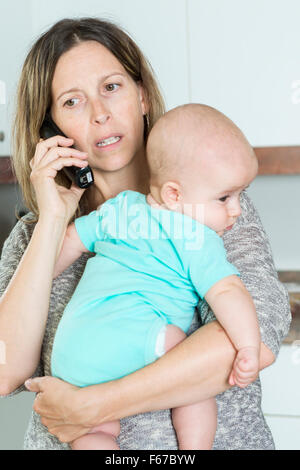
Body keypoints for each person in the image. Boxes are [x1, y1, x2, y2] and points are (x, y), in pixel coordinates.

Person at [0, 18, 291, 450]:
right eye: (72, 101)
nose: (100, 114)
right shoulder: (34, 237)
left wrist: (92, 406)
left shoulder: (213, 205)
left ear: (142, 95)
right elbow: (6, 371)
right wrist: (52, 223)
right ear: (53, 128)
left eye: (112, 87)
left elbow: (254, 340)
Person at [51, 103, 260, 451]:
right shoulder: (197, 236)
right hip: (138, 335)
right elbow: (228, 290)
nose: (236, 210)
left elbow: (70, 240)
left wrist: (41, 280)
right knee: (190, 374)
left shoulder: (121, 208)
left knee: (93, 432)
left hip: (71, 353)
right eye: (224, 197)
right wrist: (248, 346)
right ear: (174, 195)